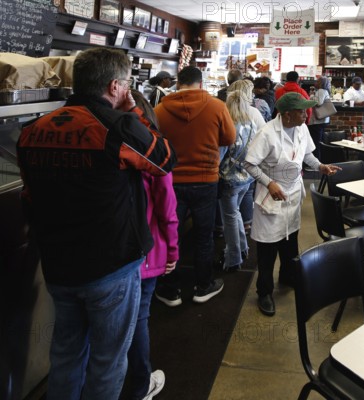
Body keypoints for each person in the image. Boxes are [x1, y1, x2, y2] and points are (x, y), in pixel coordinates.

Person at [16, 48, 176, 399]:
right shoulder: (117, 127)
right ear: (117, 85)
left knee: (65, 355)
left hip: (58, 265)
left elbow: (29, 197)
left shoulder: (32, 130)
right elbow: (164, 160)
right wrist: (134, 111)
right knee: (107, 360)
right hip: (111, 265)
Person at [243, 93, 341, 316]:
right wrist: (269, 184)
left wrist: (321, 167)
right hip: (273, 194)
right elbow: (249, 163)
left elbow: (307, 155)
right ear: (286, 114)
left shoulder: (302, 128)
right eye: (301, 111)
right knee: (268, 248)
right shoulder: (267, 132)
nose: (307, 114)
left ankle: (288, 277)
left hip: (293, 193)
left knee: (290, 240)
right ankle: (264, 292)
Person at [154, 66, 236, 306]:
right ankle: (203, 285)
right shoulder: (217, 107)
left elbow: (155, 141)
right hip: (206, 180)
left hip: (172, 181)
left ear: (178, 83)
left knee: (171, 236)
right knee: (204, 236)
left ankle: (171, 290)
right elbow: (229, 139)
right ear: (200, 84)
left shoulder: (160, 109)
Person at [126, 90, 179, 400]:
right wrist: (172, 250)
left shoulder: (105, 143)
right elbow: (166, 208)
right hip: (148, 250)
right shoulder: (154, 149)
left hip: (109, 253)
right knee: (139, 317)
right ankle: (140, 384)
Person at [219, 80, 265, 272]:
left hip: (229, 178)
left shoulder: (227, 120)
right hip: (248, 174)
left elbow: (221, 152)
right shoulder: (253, 118)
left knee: (229, 217)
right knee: (235, 213)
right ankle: (243, 248)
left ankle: (233, 259)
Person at [307, 76, 332, 159]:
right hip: (323, 120)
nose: (315, 82)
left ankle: (316, 164)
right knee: (319, 142)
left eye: (317, 81)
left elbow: (318, 102)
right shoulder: (325, 91)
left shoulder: (321, 91)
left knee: (315, 143)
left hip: (317, 121)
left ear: (321, 83)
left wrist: (310, 96)